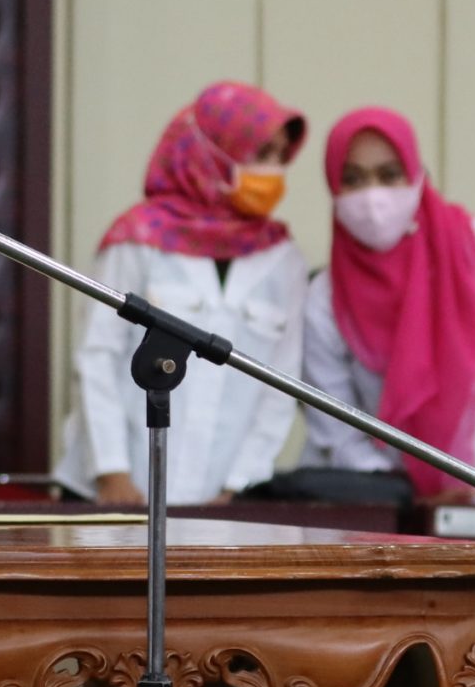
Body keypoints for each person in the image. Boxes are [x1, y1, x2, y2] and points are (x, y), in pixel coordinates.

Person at [300, 107, 475, 504]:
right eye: (353, 179)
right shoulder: (325, 299)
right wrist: (406, 501)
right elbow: (339, 430)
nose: (372, 196)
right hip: (415, 517)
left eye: (389, 175)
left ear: (417, 176)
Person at [55, 81, 308, 506]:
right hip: (112, 495)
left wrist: (238, 486)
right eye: (262, 154)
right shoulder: (138, 237)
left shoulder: (283, 258)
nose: (273, 171)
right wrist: (111, 473)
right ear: (212, 151)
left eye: (281, 156)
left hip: (219, 504)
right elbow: (97, 357)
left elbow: (281, 383)